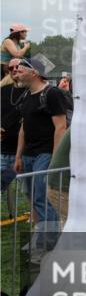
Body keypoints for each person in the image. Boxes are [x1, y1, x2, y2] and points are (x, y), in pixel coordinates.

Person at [12, 58, 66, 250]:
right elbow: (23, 129)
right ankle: (43, 238)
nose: (15, 72)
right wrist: (18, 156)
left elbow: (60, 127)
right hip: (29, 155)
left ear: (33, 72)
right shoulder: (26, 95)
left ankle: (49, 244)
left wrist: (55, 158)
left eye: (20, 69)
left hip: (45, 154)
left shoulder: (52, 93)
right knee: (34, 198)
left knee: (43, 198)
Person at [1, 58, 26, 218]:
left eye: (18, 66)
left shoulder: (32, 90)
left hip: (27, 152)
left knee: (32, 191)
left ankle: (40, 224)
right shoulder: (3, 91)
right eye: (11, 68)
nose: (15, 70)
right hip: (4, 150)